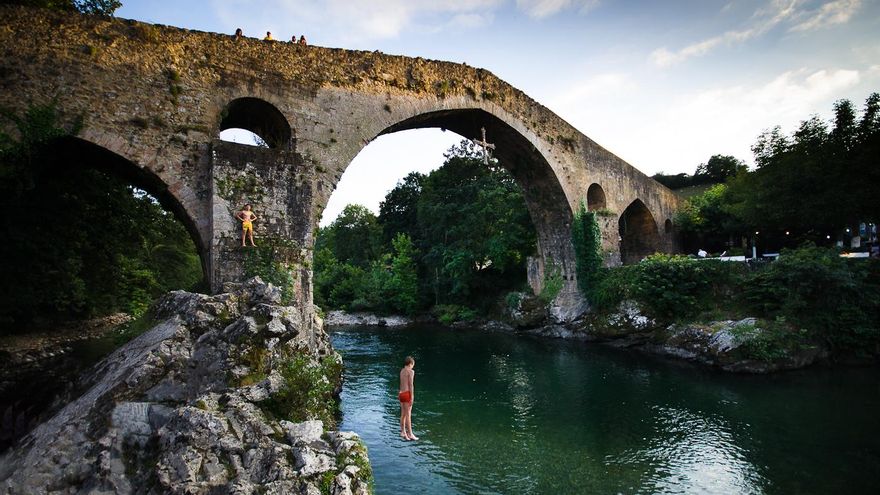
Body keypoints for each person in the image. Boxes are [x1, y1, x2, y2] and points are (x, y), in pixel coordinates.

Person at [398, 356, 417, 441]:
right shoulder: (411, 371)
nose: (413, 367)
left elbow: (401, 383)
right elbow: (411, 385)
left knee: (403, 414)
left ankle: (403, 432)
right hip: (407, 394)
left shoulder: (402, 371)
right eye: (413, 365)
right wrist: (412, 397)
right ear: (410, 364)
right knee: (408, 415)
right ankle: (410, 433)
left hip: (401, 393)